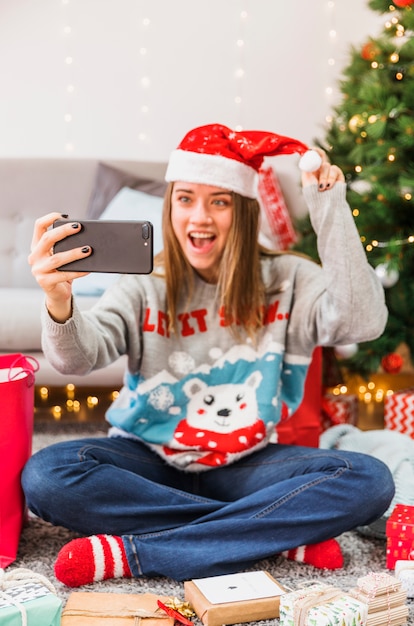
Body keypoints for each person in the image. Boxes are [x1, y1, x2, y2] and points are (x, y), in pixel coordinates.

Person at [22, 123, 394, 588]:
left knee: (368, 480)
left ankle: (142, 552)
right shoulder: (144, 283)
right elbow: (78, 360)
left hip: (248, 463)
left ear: (242, 211)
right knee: (47, 475)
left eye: (218, 201)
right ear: (170, 204)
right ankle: (270, 534)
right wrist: (58, 301)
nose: (199, 217)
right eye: (185, 199)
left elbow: (363, 322)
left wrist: (330, 209)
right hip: (146, 460)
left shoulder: (288, 278)